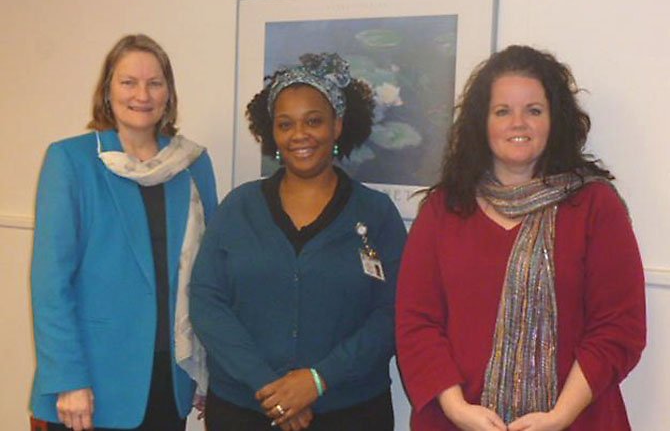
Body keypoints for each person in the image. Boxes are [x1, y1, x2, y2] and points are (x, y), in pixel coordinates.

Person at [395, 45, 646, 431]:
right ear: (482, 122)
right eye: (502, 111)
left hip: (578, 420)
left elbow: (619, 327)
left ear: (554, 120)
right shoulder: (442, 210)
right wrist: (458, 409)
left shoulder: (596, 206)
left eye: (533, 110)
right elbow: (417, 323)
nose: (518, 123)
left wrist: (561, 415)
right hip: (456, 421)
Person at [190, 52, 407, 431]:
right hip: (245, 410)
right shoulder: (238, 207)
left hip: (351, 412)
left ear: (337, 126)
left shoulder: (376, 213)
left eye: (314, 121)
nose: (299, 135)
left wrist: (318, 380)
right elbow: (207, 303)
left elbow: (393, 313)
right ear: (272, 132)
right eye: (285, 124)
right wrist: (268, 387)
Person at [30, 34, 218, 431]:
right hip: (93, 382)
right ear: (107, 91)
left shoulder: (193, 164)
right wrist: (67, 378)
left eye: (155, 82)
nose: (142, 94)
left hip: (171, 375)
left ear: (169, 92)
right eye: (128, 82)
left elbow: (208, 276)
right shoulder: (71, 161)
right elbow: (51, 284)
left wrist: (206, 367)